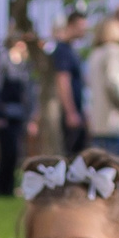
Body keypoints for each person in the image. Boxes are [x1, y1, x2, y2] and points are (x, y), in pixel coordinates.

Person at [0, 32, 39, 197]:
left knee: (16, 152)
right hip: (5, 114)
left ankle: (7, 187)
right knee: (8, 152)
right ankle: (0, 187)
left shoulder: (25, 64)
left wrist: (31, 116)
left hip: (19, 115)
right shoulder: (3, 60)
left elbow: (30, 92)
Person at [86, 15, 119, 156]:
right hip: (114, 123)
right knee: (117, 170)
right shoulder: (113, 51)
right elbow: (115, 85)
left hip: (97, 124)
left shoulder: (95, 53)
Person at [48, 11, 90, 155]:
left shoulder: (72, 50)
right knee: (70, 156)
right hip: (70, 114)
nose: (84, 30)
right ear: (71, 25)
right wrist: (70, 112)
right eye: (81, 26)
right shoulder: (63, 50)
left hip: (77, 111)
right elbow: (63, 80)